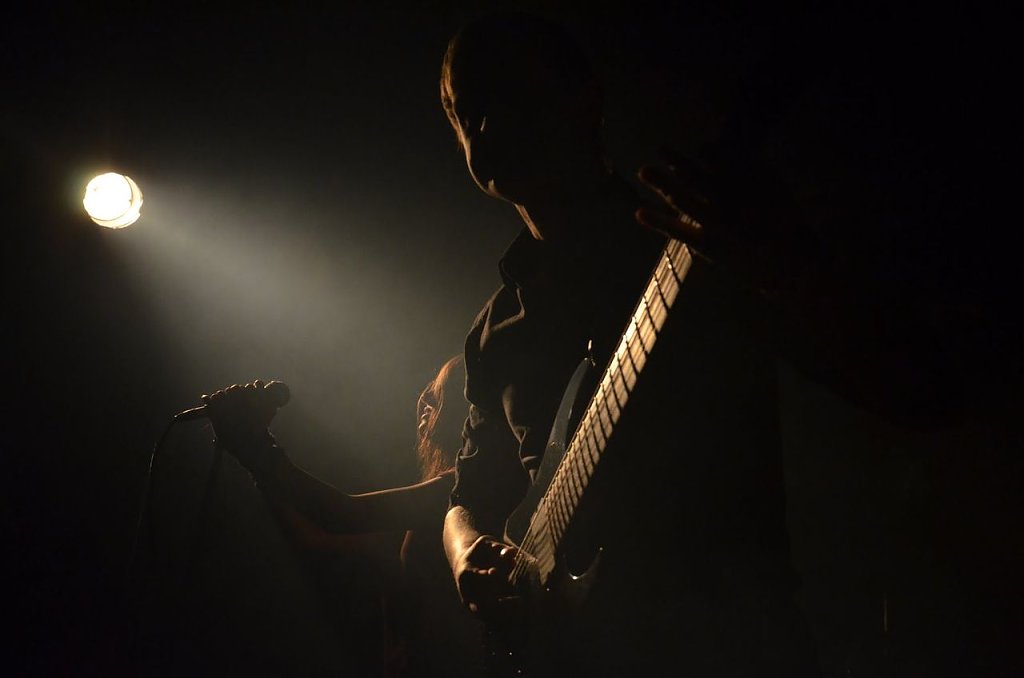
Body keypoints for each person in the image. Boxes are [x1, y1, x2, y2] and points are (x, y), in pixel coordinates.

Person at [433, 10, 855, 677]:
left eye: (506, 91)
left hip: (730, 642)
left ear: (585, 98)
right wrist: (463, 553)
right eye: (466, 110)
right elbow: (470, 494)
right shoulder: (492, 331)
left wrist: (782, 271)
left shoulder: (693, 241)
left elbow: (869, 372)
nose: (483, 125)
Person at [200, 355, 488, 678]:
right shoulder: (431, 507)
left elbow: (343, 515)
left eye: (439, 392)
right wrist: (256, 459)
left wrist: (256, 447)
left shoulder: (458, 490)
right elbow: (321, 536)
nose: (425, 400)